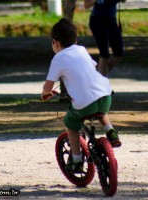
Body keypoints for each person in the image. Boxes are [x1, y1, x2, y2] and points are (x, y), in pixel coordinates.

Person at [41, 18, 121, 172]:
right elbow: (93, 66)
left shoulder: (58, 58)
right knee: (100, 110)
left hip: (84, 103)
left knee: (71, 124)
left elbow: (48, 86)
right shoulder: (82, 50)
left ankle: (77, 160)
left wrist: (46, 93)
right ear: (76, 39)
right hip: (105, 94)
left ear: (55, 43)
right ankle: (111, 131)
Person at [84, 0, 126, 76]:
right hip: (98, 19)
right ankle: (102, 82)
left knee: (119, 53)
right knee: (104, 54)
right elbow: (86, 5)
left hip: (111, 20)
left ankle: (97, 77)